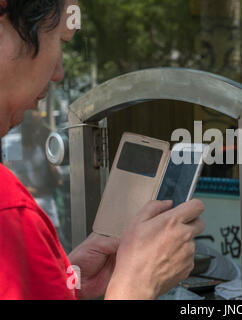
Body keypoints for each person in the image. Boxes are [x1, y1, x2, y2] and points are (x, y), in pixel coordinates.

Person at [0, 0, 205, 300]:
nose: (58, 71)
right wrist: (135, 286)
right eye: (60, 40)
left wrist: (66, 281)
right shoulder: (9, 211)